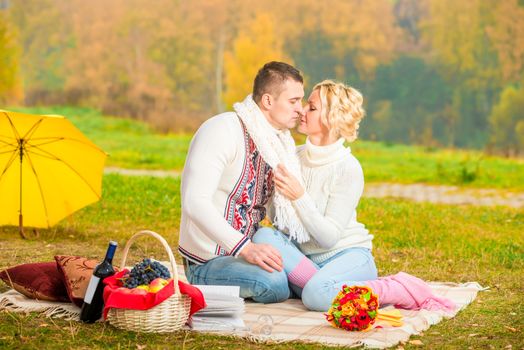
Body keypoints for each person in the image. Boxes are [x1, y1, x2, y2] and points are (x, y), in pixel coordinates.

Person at [253, 80, 455, 312]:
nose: (301, 110)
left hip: (346, 256)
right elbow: (281, 221)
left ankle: (394, 288)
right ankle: (323, 286)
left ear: (331, 118)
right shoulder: (292, 157)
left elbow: (328, 238)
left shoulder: (347, 168)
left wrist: (299, 196)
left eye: (312, 107)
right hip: (306, 259)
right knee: (263, 237)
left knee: (316, 297)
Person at [178, 61, 306, 303]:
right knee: (275, 283)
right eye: (293, 101)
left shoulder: (278, 145)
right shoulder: (222, 130)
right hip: (208, 260)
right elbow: (194, 202)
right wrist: (245, 248)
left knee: (308, 275)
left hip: (251, 249)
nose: (301, 109)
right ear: (268, 101)